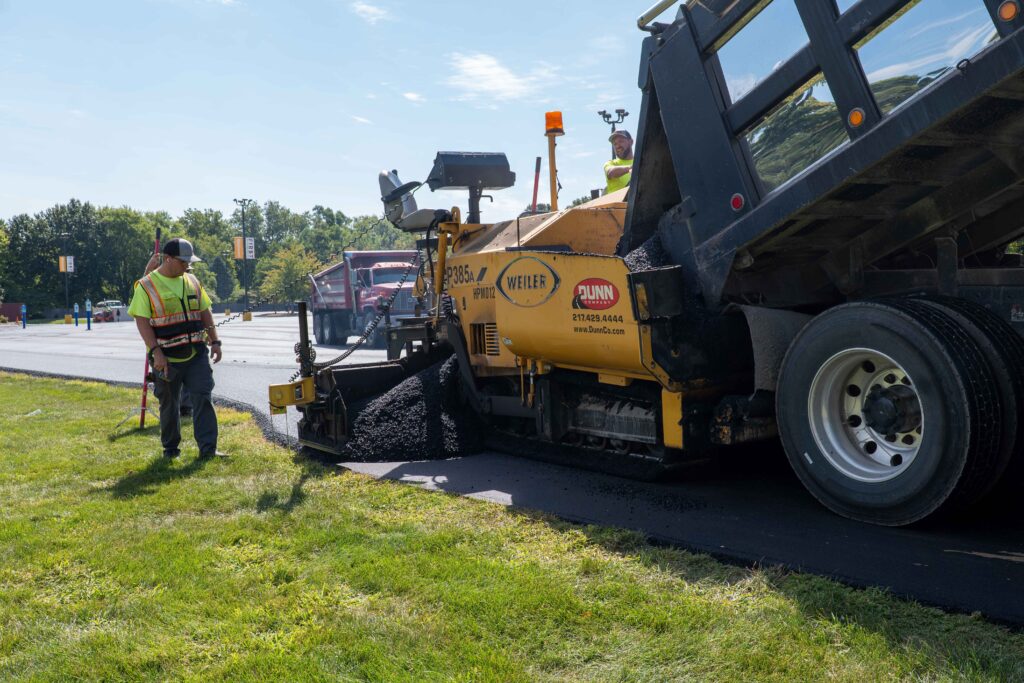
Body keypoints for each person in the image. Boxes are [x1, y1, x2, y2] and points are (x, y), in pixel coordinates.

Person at [129, 238, 227, 459]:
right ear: (168, 259)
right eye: (183, 261)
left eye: (188, 262)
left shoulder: (192, 280)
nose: (187, 265)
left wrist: (215, 341)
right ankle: (171, 449)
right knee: (169, 403)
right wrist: (156, 352)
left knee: (203, 397)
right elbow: (142, 321)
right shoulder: (146, 286)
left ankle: (208, 449)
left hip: (196, 354)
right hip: (166, 357)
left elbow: (205, 311)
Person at [144, 253, 194, 417]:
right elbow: (144, 292)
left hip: (188, 343)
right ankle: (171, 414)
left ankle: (186, 407)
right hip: (163, 345)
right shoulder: (155, 284)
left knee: (189, 379)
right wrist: (148, 270)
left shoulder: (189, 284)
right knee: (167, 384)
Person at [604, 129, 634, 195]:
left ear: (631, 142)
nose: (617, 146)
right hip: (618, 201)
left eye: (621, 141)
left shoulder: (641, 162)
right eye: (615, 144)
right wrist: (632, 168)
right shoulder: (611, 164)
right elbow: (611, 172)